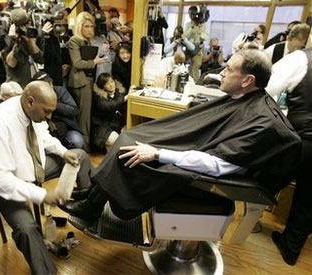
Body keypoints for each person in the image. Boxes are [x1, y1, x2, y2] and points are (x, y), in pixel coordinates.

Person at [59, 49, 301, 223]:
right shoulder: (244, 98)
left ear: (248, 80)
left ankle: (93, 205)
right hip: (202, 149)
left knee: (130, 150)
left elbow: (218, 165)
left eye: (229, 69)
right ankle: (94, 194)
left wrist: (157, 153)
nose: (222, 73)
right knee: (130, 135)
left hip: (206, 173)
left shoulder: (261, 123)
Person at [0, 80, 92, 274]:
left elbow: (44, 136)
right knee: (26, 229)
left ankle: (87, 208)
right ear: (30, 101)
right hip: (7, 182)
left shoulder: (31, 110)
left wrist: (64, 152)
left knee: (78, 155)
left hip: (33, 166)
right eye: (46, 112)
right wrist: (41, 194)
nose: (49, 116)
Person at [265, 48, 312, 266]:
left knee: (262, 180)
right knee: (308, 200)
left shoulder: (303, 58)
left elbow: (268, 85)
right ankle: (291, 249)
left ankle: (236, 225)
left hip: (303, 139)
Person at [67, 11, 107, 152]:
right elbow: (77, 63)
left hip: (88, 80)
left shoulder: (87, 41)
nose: (90, 29)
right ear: (79, 27)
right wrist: (94, 61)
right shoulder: (74, 41)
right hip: (81, 82)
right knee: (84, 118)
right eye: (86, 26)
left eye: (91, 26)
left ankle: (87, 146)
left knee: (87, 116)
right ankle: (85, 149)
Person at [5, 9, 44, 88]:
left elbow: (40, 59)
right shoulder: (7, 39)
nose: (24, 27)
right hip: (16, 87)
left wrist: (31, 41)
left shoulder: (31, 35)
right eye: (21, 25)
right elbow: (11, 64)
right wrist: (16, 42)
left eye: (26, 24)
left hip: (31, 85)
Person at [91, 73, 127, 153]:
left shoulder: (120, 93)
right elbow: (108, 106)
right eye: (107, 84)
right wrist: (124, 99)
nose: (111, 85)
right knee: (115, 139)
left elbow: (125, 112)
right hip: (102, 128)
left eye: (111, 81)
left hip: (117, 126)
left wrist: (125, 124)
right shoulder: (98, 97)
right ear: (102, 86)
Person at [184, 6, 209, 82]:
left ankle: (196, 85)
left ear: (196, 13)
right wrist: (192, 27)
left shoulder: (203, 24)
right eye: (189, 13)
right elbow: (186, 36)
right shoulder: (188, 25)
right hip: (189, 47)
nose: (191, 15)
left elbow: (207, 37)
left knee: (195, 68)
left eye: (192, 13)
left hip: (198, 48)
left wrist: (200, 33)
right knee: (188, 68)